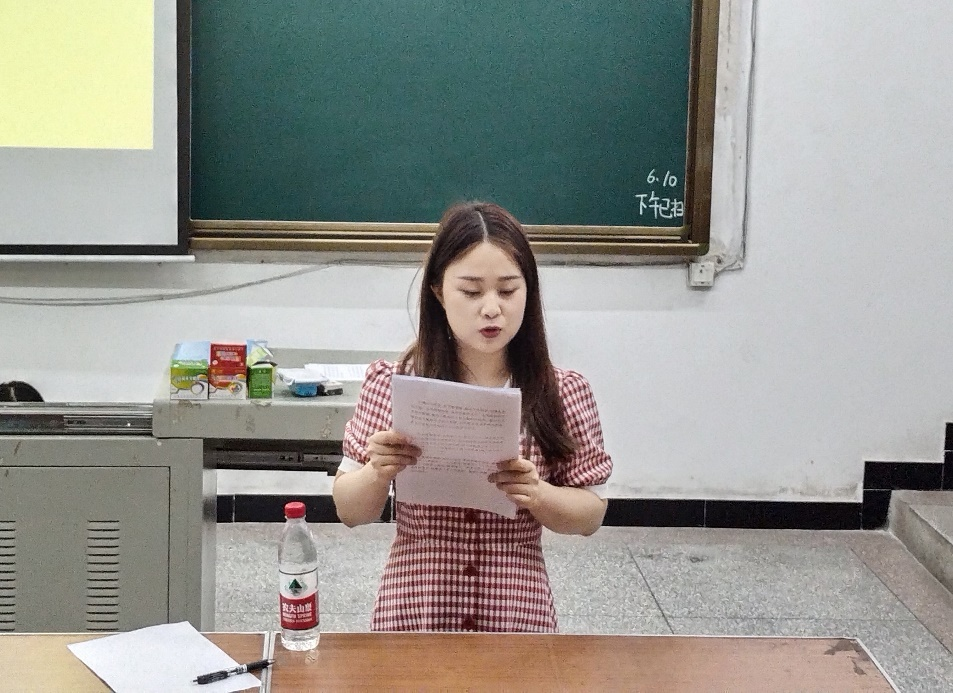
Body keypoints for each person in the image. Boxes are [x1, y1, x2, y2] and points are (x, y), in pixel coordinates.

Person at [332, 201, 612, 632]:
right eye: (471, 291)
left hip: (517, 616)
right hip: (415, 610)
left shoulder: (563, 391)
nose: (491, 308)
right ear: (438, 291)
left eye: (508, 290)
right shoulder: (393, 383)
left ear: (529, 292)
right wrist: (378, 472)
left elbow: (590, 515)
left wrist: (537, 494)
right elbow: (350, 511)